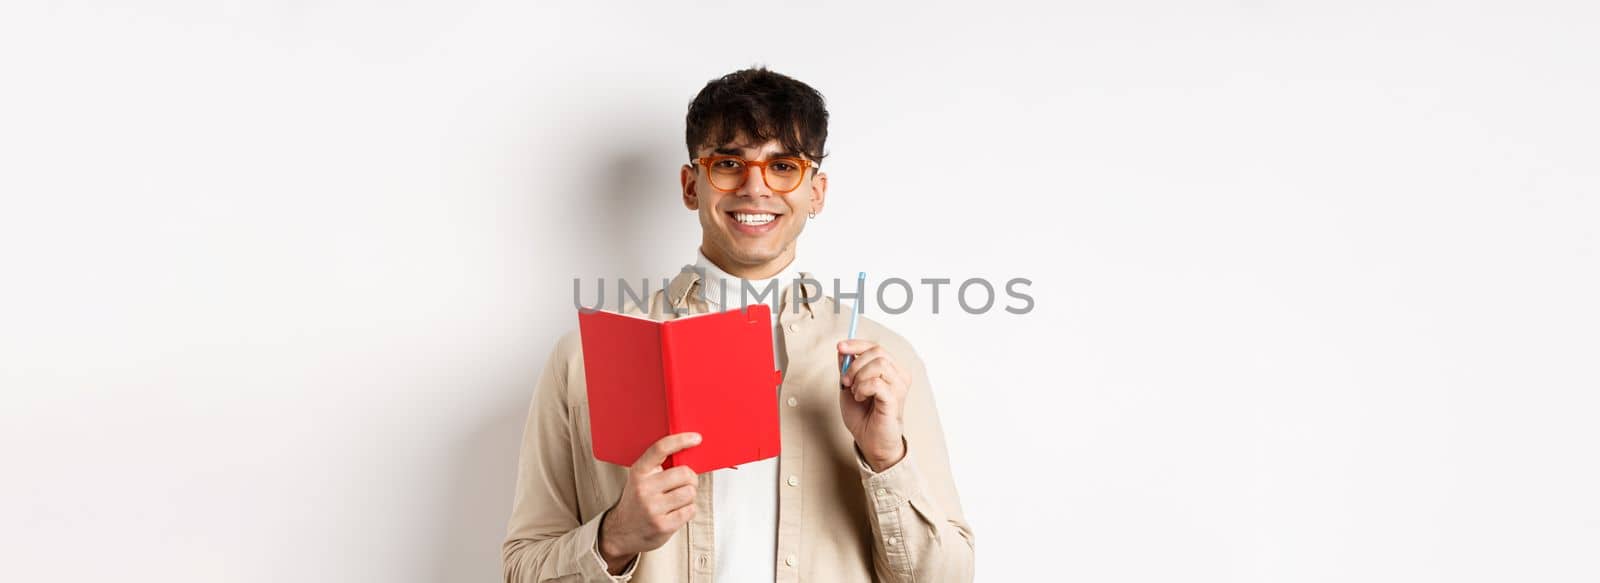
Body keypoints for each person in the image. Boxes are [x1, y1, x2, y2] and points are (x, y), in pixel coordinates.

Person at [503, 67, 975, 583]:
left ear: (815, 192)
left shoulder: (882, 359)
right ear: (691, 185)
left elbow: (945, 577)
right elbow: (522, 567)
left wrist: (886, 456)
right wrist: (615, 537)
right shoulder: (586, 358)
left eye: (784, 167)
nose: (756, 188)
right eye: (729, 163)